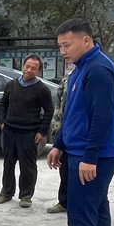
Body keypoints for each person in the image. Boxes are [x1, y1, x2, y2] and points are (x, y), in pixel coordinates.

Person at [39, 19, 114, 226]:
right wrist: (60, 144)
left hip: (92, 154)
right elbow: (73, 112)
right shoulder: (80, 69)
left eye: (67, 44)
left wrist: (90, 156)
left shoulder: (98, 70)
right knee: (97, 207)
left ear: (85, 41)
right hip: (77, 150)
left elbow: (102, 117)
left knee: (81, 213)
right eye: (60, 45)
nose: (62, 51)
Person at [0, 54, 53, 208]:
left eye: (34, 68)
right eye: (27, 66)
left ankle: (26, 195)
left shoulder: (42, 89)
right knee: (8, 163)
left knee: (28, 166)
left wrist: (42, 131)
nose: (29, 70)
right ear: (22, 66)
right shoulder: (11, 85)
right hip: (10, 130)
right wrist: (1, 122)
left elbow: (48, 111)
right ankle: (6, 192)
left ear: (39, 71)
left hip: (29, 133)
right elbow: (3, 105)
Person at [47, 62, 73, 214]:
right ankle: (64, 201)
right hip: (63, 130)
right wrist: (56, 126)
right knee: (63, 168)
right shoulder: (67, 78)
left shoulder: (93, 74)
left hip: (79, 132)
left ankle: (76, 203)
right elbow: (59, 104)